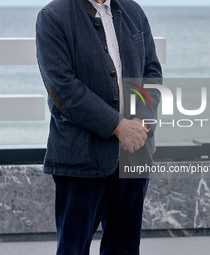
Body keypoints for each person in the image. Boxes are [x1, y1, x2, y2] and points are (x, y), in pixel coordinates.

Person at [36, 0, 162, 254]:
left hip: (133, 154)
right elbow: (63, 87)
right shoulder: (52, 16)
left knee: (125, 248)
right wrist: (116, 125)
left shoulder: (133, 10)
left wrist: (140, 120)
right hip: (81, 159)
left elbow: (152, 73)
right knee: (73, 248)